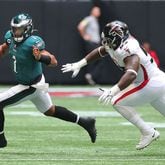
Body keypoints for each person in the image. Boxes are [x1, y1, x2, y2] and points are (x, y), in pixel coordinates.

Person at [62, 20, 165, 150]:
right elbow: (101, 51)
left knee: (117, 101)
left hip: (149, 83)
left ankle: (148, 131)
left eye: (108, 39)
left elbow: (131, 73)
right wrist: (79, 64)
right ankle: (148, 132)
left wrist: (113, 90)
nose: (106, 42)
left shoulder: (128, 48)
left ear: (117, 37)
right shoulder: (118, 43)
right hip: (157, 80)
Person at [0, 13, 97, 148]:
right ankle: (85, 122)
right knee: (50, 110)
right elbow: (5, 48)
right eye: (14, 29)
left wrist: (40, 57)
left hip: (31, 85)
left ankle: (0, 139)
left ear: (27, 28)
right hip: (36, 82)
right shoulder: (10, 38)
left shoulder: (32, 42)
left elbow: (53, 61)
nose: (16, 32)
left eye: (19, 29)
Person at [77, 6, 102, 85]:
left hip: (96, 43)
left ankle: (90, 75)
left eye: (99, 11)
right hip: (92, 43)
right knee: (94, 58)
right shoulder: (89, 19)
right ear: (92, 11)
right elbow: (80, 26)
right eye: (96, 11)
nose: (98, 12)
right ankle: (89, 75)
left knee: (97, 60)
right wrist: (85, 36)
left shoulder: (95, 20)